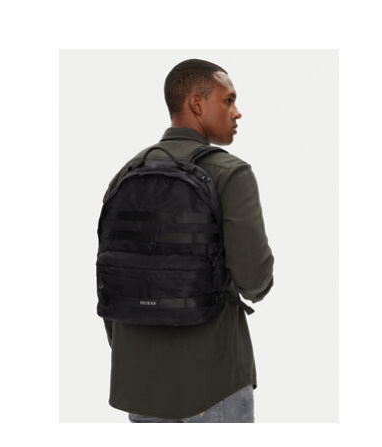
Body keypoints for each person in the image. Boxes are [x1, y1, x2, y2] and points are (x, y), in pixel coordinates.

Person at [100, 59, 274, 423]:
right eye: (228, 100)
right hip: (213, 380)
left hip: (139, 383)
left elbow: (113, 279)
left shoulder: (126, 173)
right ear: (197, 104)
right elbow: (254, 279)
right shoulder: (230, 173)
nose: (237, 112)